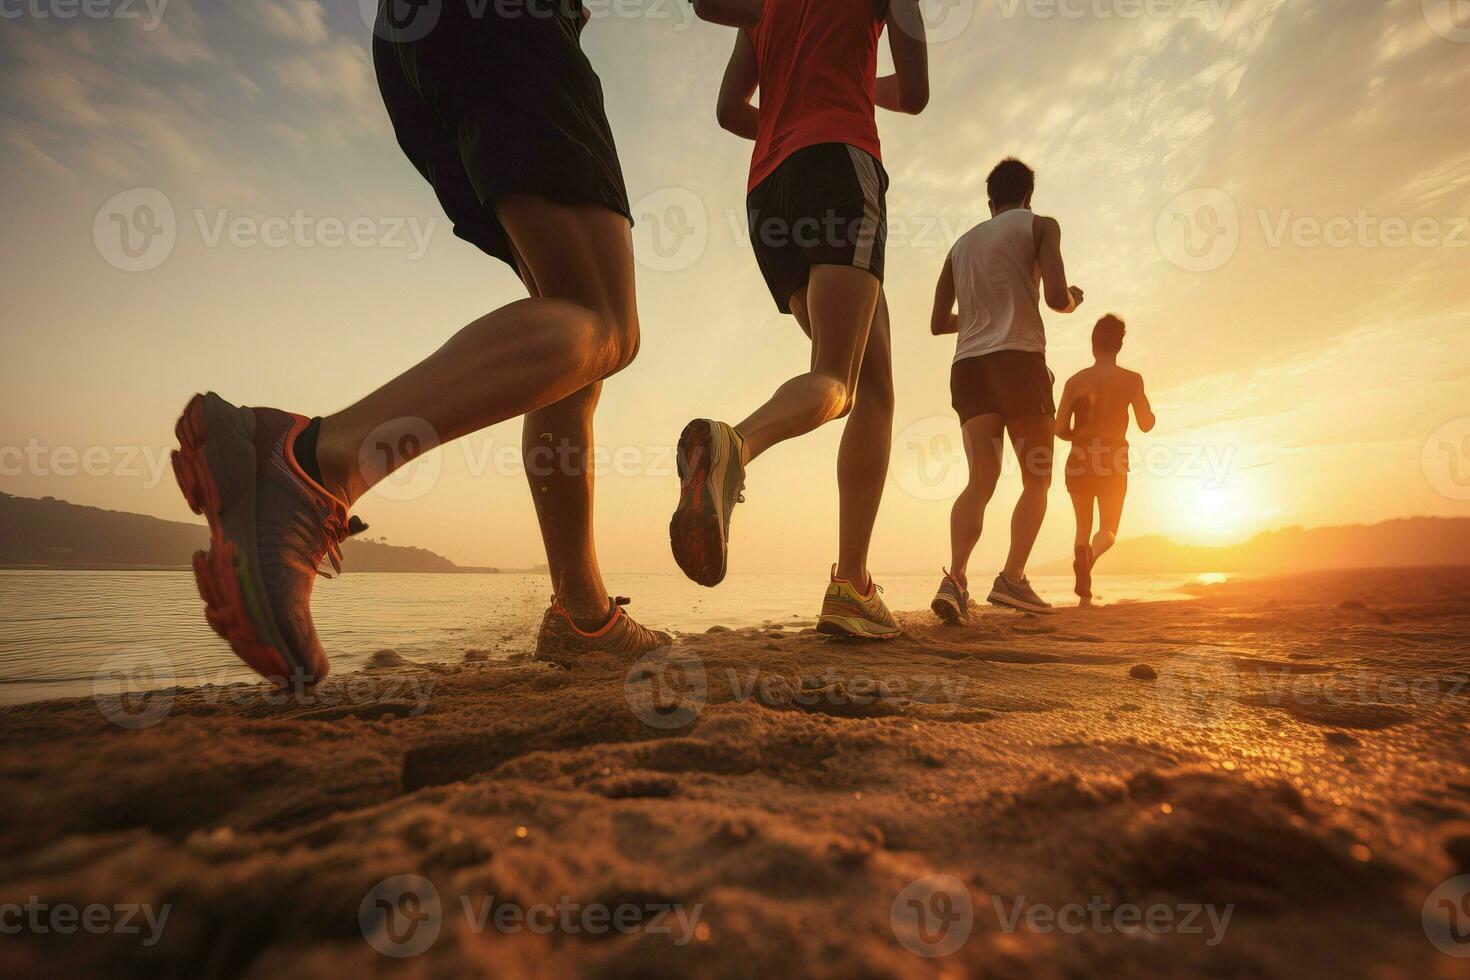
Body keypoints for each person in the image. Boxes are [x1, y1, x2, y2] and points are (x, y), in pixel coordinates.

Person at [170, 0, 766, 686]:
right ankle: (311, 463)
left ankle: (583, 614)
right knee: (604, 321)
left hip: (416, 42)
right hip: (510, 27)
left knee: (569, 336)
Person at [668, 0, 929, 639]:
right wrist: (845, 88)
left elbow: (731, 109)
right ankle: (736, 447)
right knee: (839, 382)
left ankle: (853, 586)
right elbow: (917, 92)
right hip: (839, 160)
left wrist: (789, 107)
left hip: (769, 191)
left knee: (876, 382)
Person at [927, 157, 1085, 622]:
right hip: (1019, 360)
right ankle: (1012, 579)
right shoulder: (1040, 226)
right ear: (1027, 198)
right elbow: (1056, 299)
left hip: (969, 367)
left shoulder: (958, 247)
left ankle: (955, 578)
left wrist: (981, 316)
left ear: (990, 201)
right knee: (1037, 476)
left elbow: (939, 323)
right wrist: (1075, 297)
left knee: (981, 479)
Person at [1056, 314, 1155, 604]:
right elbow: (1145, 423)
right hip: (1112, 457)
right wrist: (1150, 414)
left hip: (1080, 455)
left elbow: (1059, 428)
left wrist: (1078, 435)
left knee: (1082, 528)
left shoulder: (1075, 381)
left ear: (1093, 345)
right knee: (1109, 529)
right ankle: (1091, 558)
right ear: (1119, 345)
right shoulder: (1132, 380)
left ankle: (1084, 591)